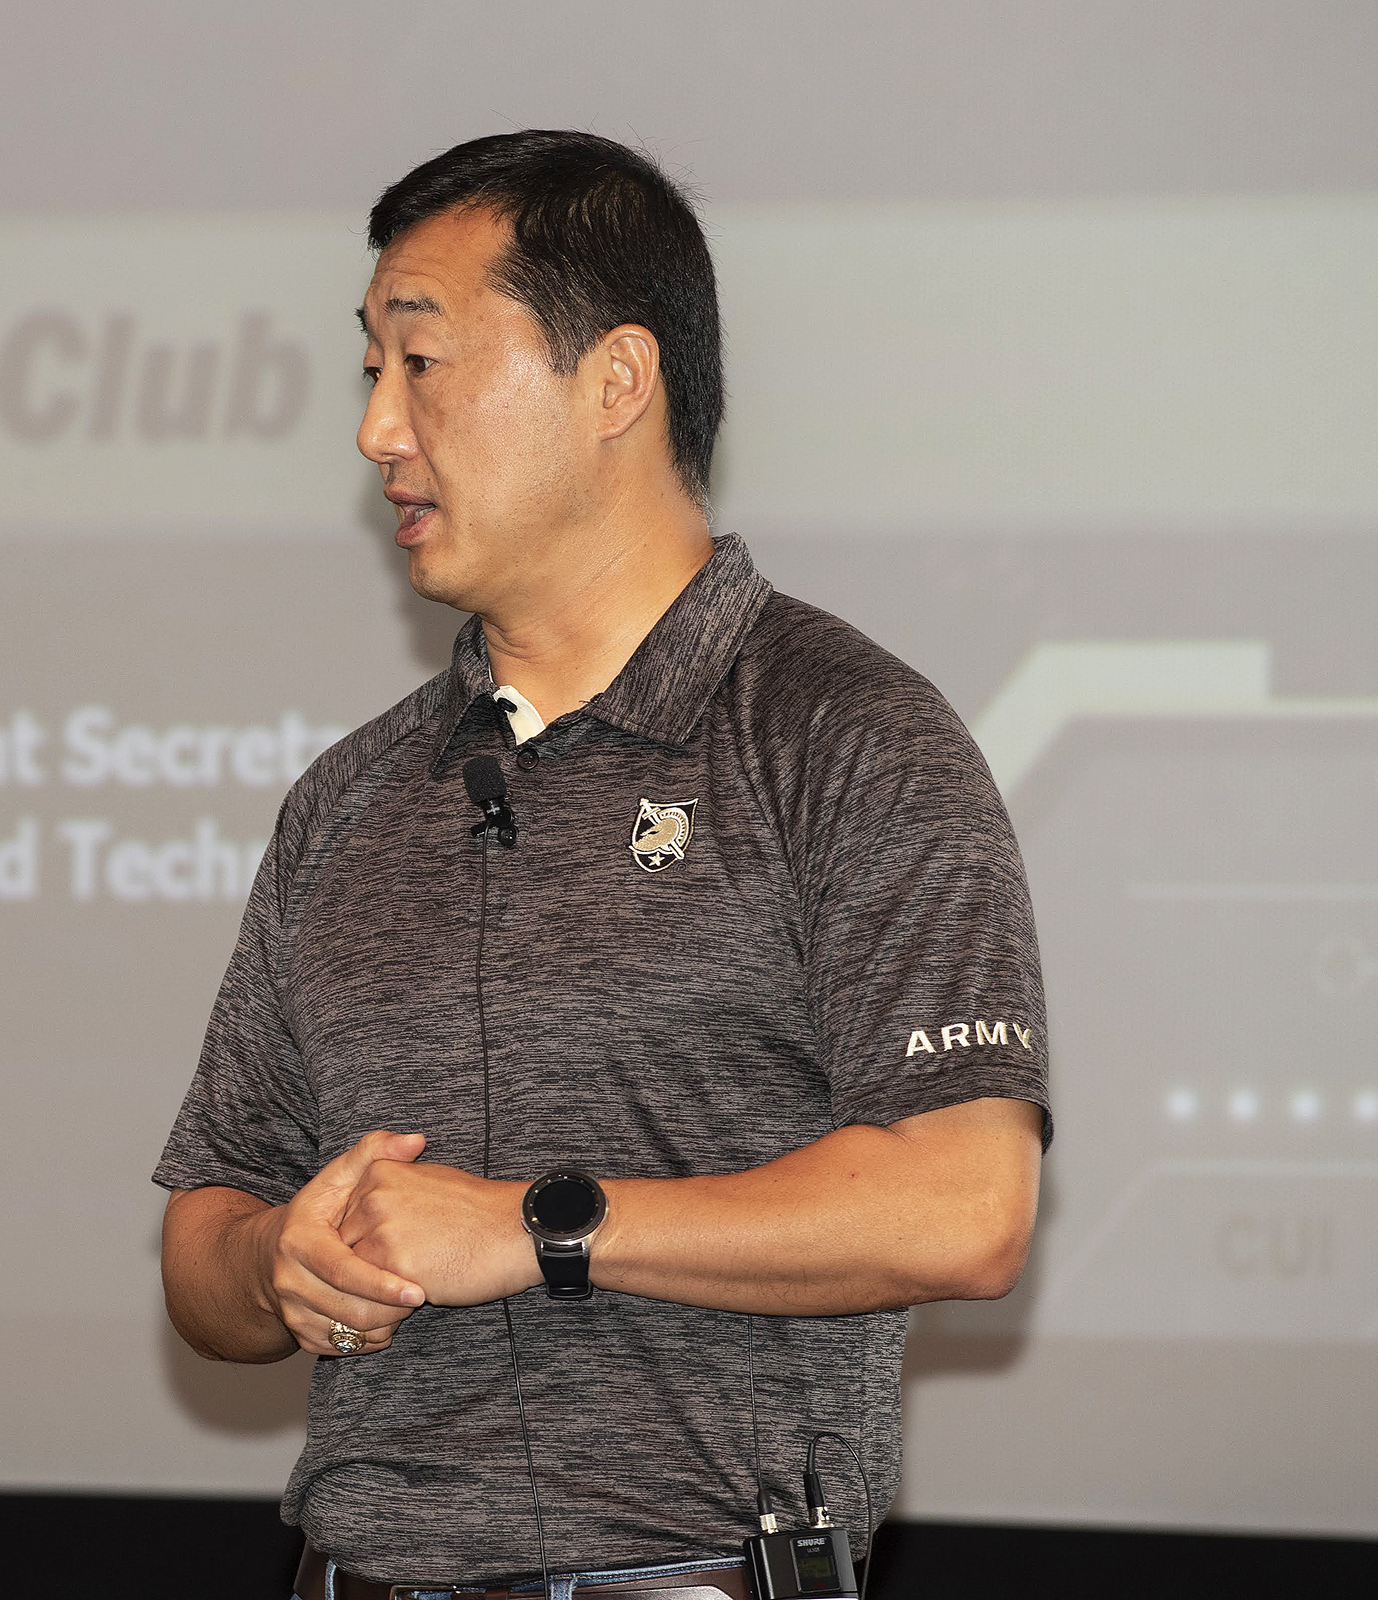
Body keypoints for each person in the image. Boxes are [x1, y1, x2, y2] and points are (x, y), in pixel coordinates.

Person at [153, 131, 1049, 1600]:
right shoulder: (351, 797)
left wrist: (535, 1230)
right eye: (367, 371)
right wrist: (279, 1264)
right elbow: (203, 1239)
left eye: (422, 363)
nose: (378, 428)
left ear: (615, 381)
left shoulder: (847, 737)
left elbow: (966, 1207)